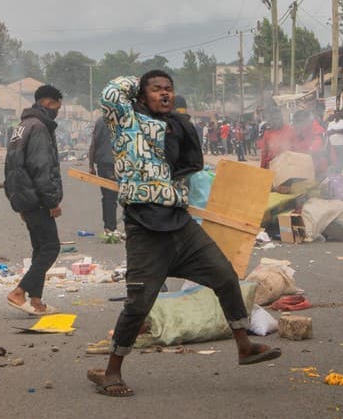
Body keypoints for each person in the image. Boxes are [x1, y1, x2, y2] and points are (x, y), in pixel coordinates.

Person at [88, 71, 280, 398]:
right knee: (139, 304)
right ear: (141, 95)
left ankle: (244, 346)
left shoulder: (178, 127)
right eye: (156, 89)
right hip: (145, 228)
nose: (165, 94)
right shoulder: (126, 121)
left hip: (179, 223)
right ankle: (111, 372)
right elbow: (110, 93)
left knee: (225, 276)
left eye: (169, 89)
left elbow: (191, 165)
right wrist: (138, 82)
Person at [4, 84, 65, 316]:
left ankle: (36, 300)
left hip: (25, 197)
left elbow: (11, 165)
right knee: (51, 247)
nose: (57, 112)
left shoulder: (22, 126)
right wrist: (52, 201)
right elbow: (41, 168)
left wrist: (17, 200)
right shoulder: (39, 127)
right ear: (48, 103)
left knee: (40, 248)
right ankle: (19, 292)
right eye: (57, 108)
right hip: (37, 198)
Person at [87, 115, 120, 239]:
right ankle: (111, 227)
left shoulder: (101, 121)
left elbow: (94, 144)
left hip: (104, 165)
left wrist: (91, 165)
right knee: (113, 197)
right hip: (117, 164)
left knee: (107, 197)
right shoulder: (125, 119)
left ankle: (109, 227)